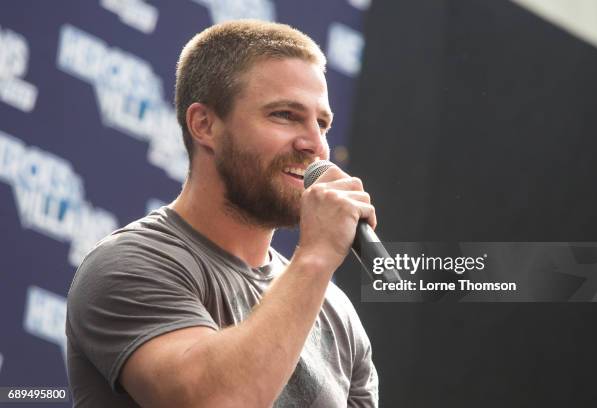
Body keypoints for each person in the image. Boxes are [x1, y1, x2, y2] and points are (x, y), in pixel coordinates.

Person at [66, 19, 378, 407]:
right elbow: (212, 400)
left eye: (323, 123)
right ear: (204, 125)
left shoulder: (336, 314)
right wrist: (316, 257)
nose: (315, 144)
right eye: (284, 114)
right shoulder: (128, 265)